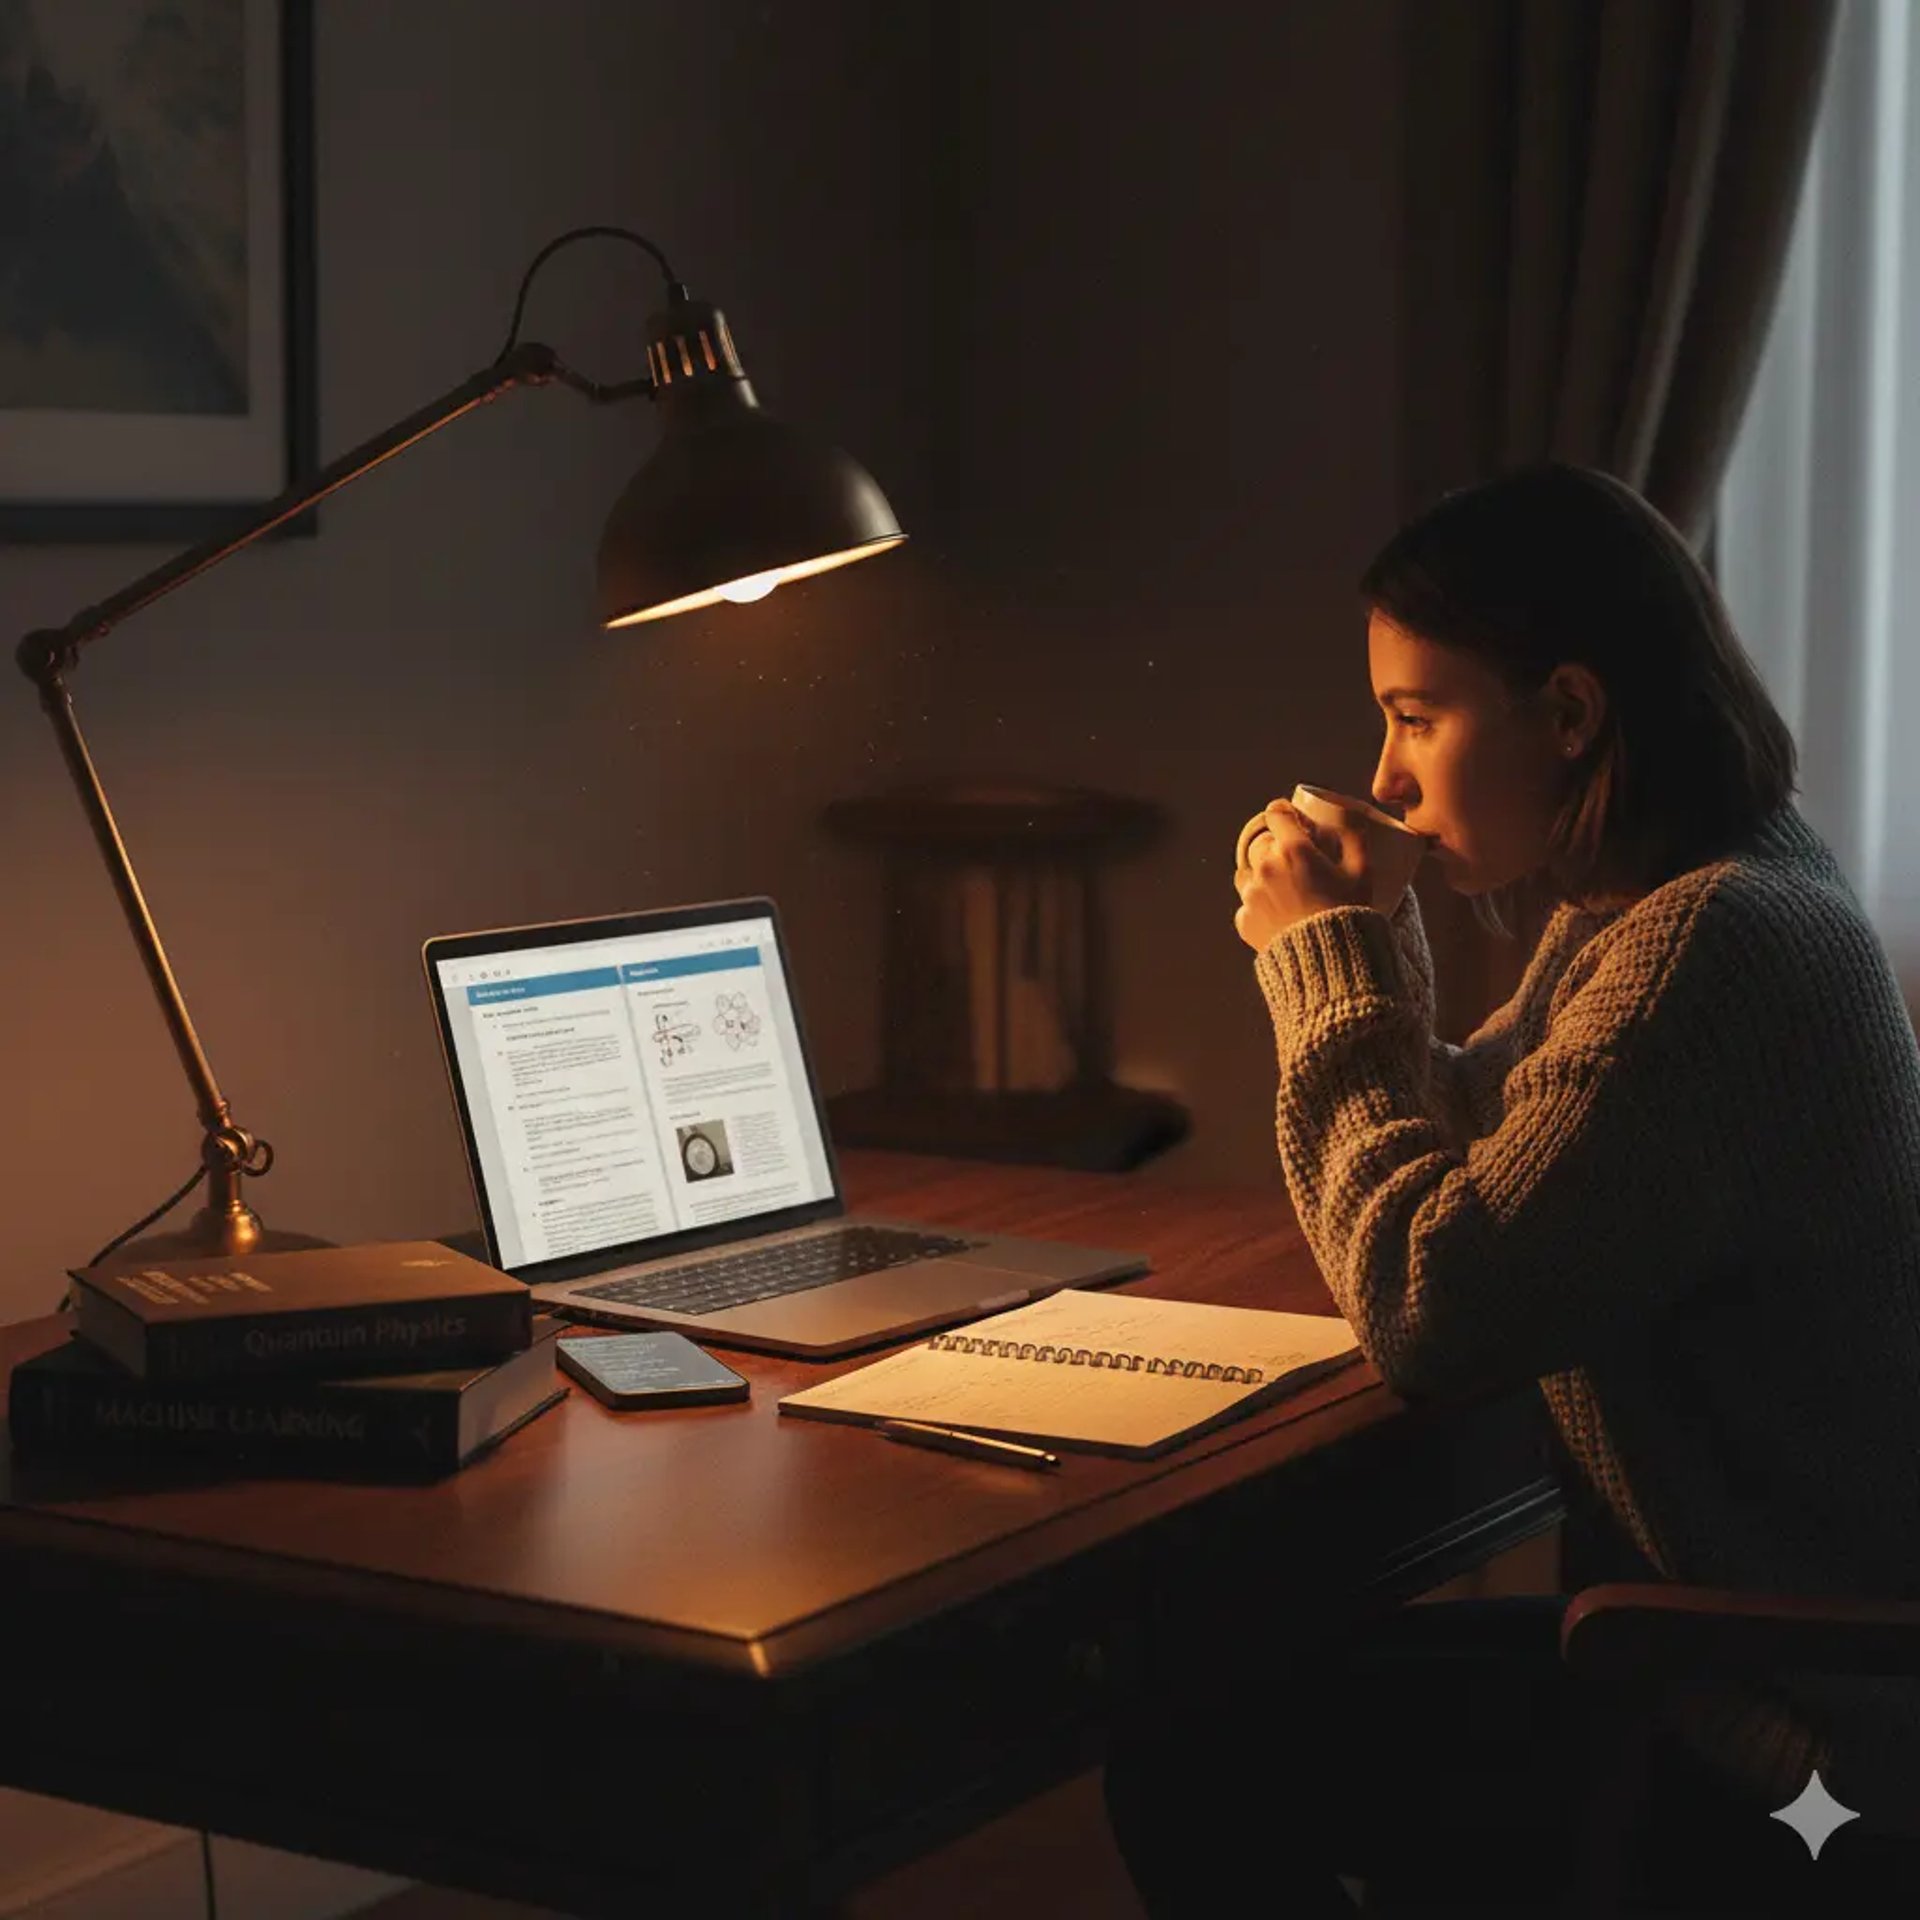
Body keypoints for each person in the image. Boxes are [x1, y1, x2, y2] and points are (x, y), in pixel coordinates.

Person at [1101, 464, 1920, 1915]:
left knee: (1189, 1749)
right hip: (1756, 1667)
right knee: (1227, 1689)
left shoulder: (1707, 956)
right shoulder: (1689, 897)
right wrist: (1364, 945)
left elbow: (1433, 1304)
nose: (1390, 770)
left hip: (1795, 1749)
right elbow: (1496, 1135)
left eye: (1418, 716)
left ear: (1570, 714)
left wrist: (1328, 966)